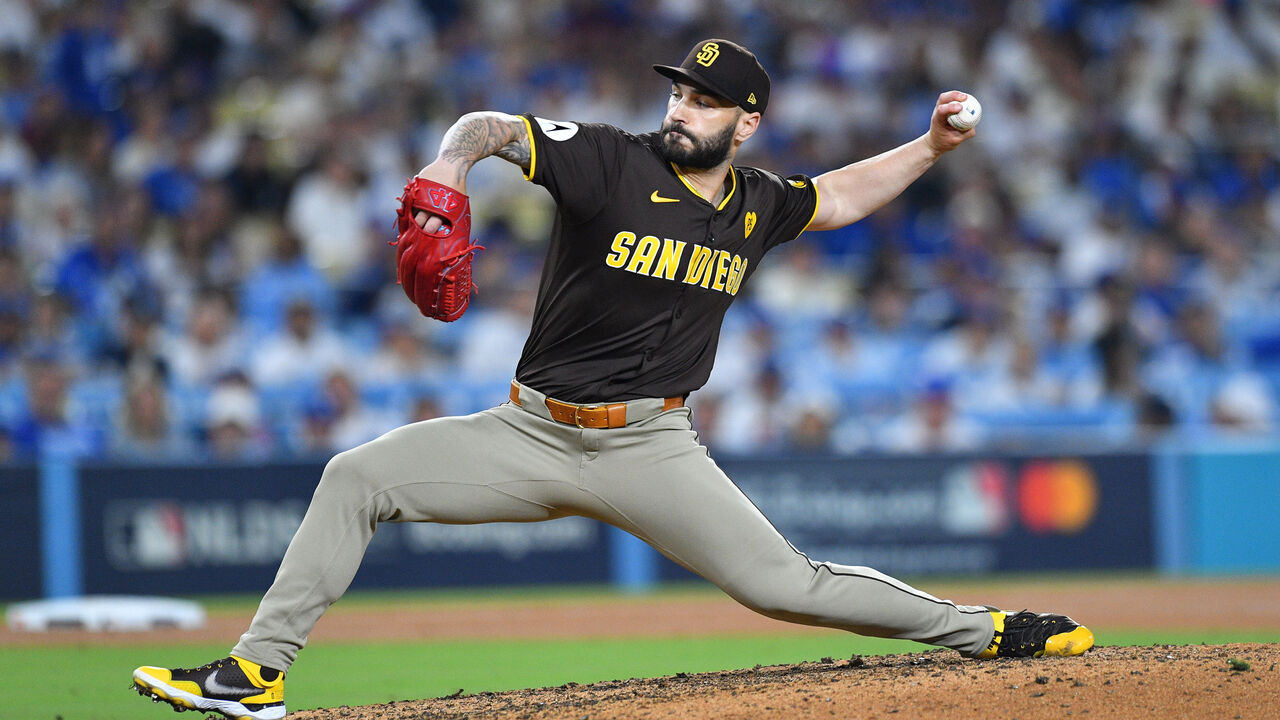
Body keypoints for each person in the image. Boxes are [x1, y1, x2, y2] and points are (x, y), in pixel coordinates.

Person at [132, 39, 1093, 720]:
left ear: (747, 122)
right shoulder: (607, 161)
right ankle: (255, 673)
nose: (683, 108)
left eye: (707, 100)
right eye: (679, 92)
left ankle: (987, 630)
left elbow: (840, 195)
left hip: (649, 444)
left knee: (784, 587)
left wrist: (930, 148)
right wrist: (448, 167)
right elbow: (491, 125)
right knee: (356, 475)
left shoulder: (757, 204)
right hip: (528, 433)